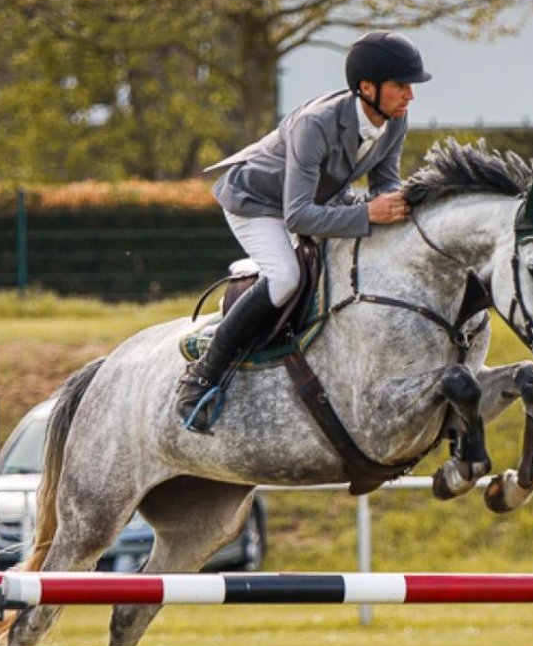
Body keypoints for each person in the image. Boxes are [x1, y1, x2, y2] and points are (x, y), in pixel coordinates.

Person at [177, 30, 431, 432]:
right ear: (367, 87)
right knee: (285, 277)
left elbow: (384, 183)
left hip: (317, 203)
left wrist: (400, 205)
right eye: (401, 85)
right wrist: (368, 215)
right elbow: (297, 217)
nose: (410, 96)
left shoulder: (393, 121)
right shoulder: (316, 125)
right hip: (257, 203)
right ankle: (202, 376)